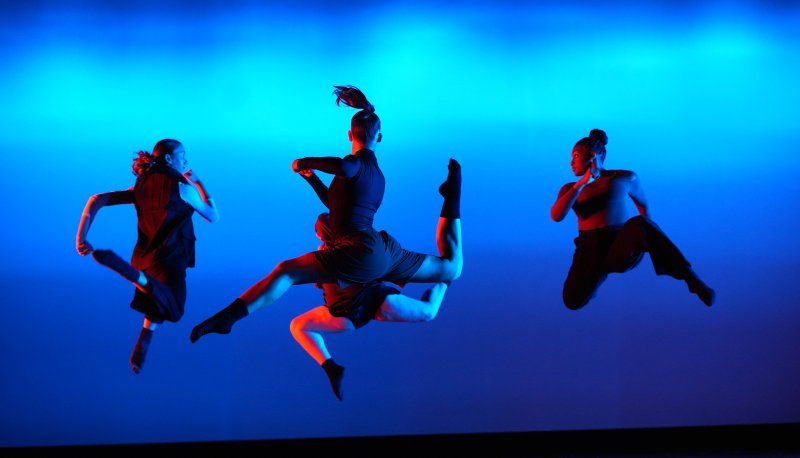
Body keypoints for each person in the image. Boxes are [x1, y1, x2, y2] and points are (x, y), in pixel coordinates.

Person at [189, 85, 462, 357]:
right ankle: (452, 196)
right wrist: (311, 178)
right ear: (380, 137)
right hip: (382, 251)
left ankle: (228, 318)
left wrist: (305, 160)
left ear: (349, 135)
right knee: (450, 267)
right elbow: (337, 205)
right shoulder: (375, 175)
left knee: (286, 271)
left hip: (358, 251)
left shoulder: (354, 164)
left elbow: (344, 166)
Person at [76, 139, 219, 374]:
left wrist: (81, 237)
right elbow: (212, 216)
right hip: (170, 260)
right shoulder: (182, 186)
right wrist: (201, 184)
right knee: (174, 310)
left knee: (157, 302)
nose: (186, 160)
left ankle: (144, 338)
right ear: (168, 159)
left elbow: (96, 199)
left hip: (144, 259)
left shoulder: (141, 185)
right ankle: (132, 275)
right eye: (182, 155)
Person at [289, 212, 449, 400]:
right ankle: (331, 367)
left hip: (363, 303)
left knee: (428, 312)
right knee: (298, 326)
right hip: (346, 311)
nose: (316, 235)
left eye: (318, 231)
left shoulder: (349, 248)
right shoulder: (324, 252)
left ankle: (445, 280)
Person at [550, 128, 715, 310]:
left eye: (575, 156)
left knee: (640, 223)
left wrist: (649, 239)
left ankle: (690, 278)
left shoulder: (624, 178)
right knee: (572, 301)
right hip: (589, 250)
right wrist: (582, 183)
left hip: (620, 245)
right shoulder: (570, 189)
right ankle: (595, 279)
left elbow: (643, 206)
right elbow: (556, 216)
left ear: (592, 156)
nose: (570, 162)